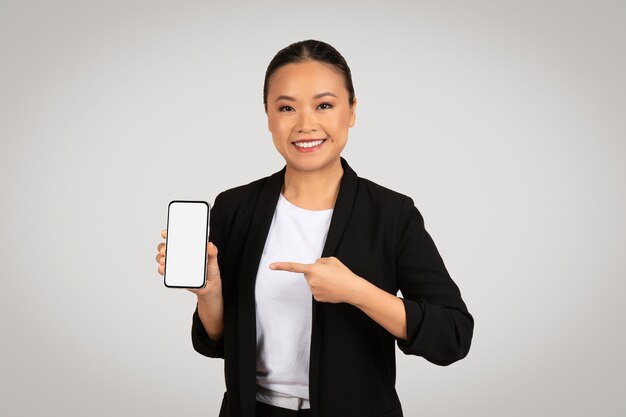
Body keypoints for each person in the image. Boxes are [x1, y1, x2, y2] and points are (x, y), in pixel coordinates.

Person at [156, 39, 473, 417]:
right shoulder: (235, 207)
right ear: (268, 117)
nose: (305, 125)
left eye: (324, 105)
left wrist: (356, 291)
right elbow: (216, 342)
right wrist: (209, 294)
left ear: (352, 111)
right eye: (286, 108)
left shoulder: (392, 214)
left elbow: (452, 335)